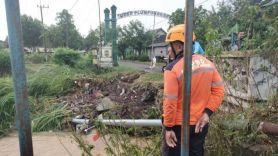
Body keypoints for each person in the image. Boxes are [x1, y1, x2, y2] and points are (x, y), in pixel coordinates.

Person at [162, 24, 225, 156]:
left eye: (170, 46)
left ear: (178, 46)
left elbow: (170, 102)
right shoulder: (208, 64)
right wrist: (207, 113)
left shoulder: (172, 69)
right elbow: (219, 91)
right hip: (200, 124)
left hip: (178, 126)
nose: (168, 50)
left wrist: (168, 128)